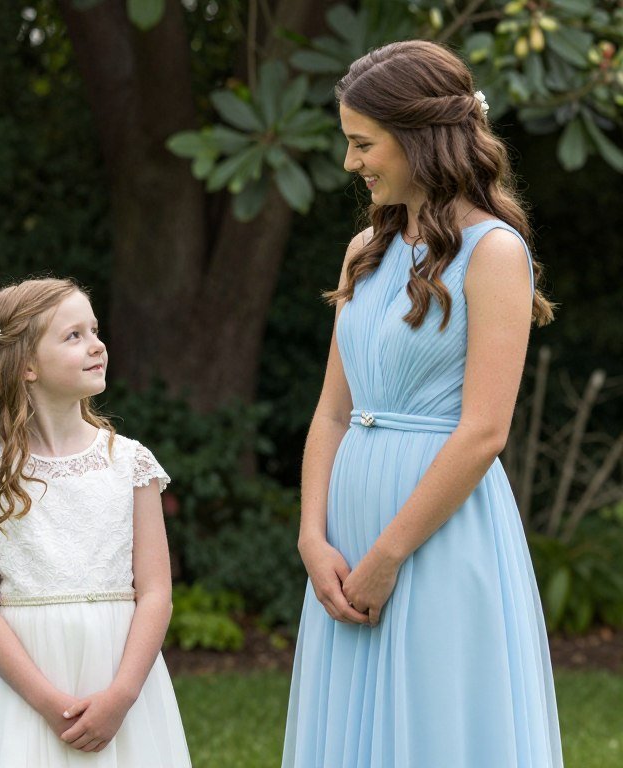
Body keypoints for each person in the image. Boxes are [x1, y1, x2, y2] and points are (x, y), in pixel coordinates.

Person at [282, 40, 563, 767]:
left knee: (437, 728)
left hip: (436, 532)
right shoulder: (363, 252)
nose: (352, 164)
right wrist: (314, 536)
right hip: (348, 526)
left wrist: (389, 554)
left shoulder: (495, 253)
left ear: (417, 140)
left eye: (363, 144)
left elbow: (484, 431)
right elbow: (332, 413)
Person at [0, 278, 191, 767]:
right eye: (73, 335)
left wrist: (121, 696)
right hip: (24, 686)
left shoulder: (131, 464)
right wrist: (51, 706)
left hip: (119, 675)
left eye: (94, 330)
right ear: (27, 366)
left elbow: (157, 592)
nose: (97, 344)